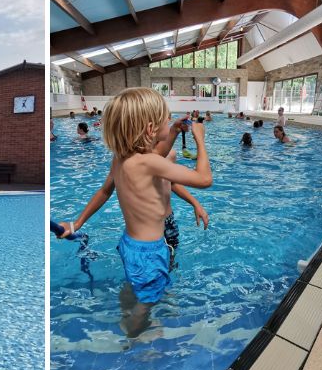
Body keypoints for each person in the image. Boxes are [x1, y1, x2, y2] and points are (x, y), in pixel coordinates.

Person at [58, 88, 213, 338]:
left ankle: (126, 310)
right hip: (150, 251)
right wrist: (200, 139)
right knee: (150, 298)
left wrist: (76, 224)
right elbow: (204, 179)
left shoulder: (122, 159)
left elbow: (104, 192)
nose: (168, 120)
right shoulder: (149, 162)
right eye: (165, 118)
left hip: (130, 245)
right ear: (151, 129)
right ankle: (131, 332)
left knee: (136, 284)